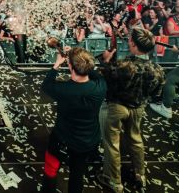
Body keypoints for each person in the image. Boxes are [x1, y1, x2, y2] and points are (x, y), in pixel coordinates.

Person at [97, 27, 166, 193]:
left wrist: (105, 61)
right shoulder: (158, 70)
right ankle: (140, 175)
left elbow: (103, 79)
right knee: (136, 139)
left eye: (129, 40)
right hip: (138, 108)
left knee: (112, 143)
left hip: (116, 107)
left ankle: (114, 180)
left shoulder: (123, 66)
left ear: (134, 45)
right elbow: (157, 93)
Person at [41, 47, 106, 193]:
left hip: (62, 137)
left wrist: (57, 63)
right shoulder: (100, 86)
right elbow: (95, 74)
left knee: (51, 168)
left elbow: (46, 85)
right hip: (87, 139)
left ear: (70, 66)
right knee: (77, 173)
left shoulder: (64, 89)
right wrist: (80, 59)